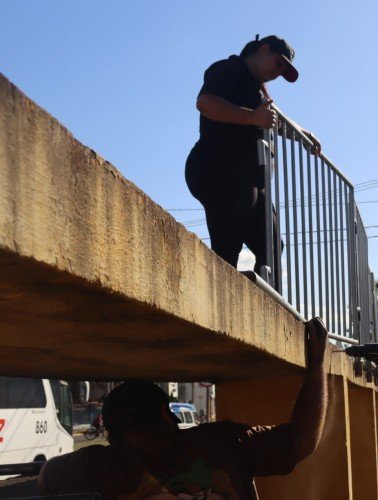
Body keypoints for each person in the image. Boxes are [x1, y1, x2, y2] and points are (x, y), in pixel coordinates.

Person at [37, 318, 330, 499]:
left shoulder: (101, 466)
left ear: (112, 436)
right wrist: (317, 365)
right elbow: (301, 440)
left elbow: (44, 478)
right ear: (166, 414)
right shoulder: (225, 443)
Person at [185, 34, 320, 280]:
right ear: (263, 49)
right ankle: (221, 307)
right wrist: (250, 117)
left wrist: (303, 135)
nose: (278, 72)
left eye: (283, 69)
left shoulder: (259, 91)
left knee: (271, 246)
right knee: (227, 248)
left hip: (249, 178)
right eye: (278, 63)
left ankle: (264, 313)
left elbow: (274, 122)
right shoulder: (229, 69)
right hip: (218, 169)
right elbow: (205, 102)